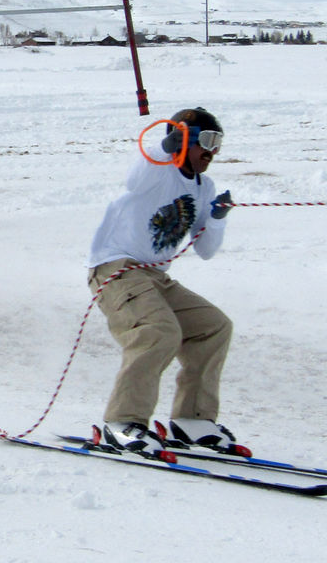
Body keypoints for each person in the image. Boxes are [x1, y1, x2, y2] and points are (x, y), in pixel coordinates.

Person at [87, 107, 242, 458]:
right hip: (116, 269)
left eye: (217, 142)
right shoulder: (158, 171)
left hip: (155, 276)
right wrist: (163, 147)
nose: (212, 151)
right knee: (158, 331)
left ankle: (193, 420)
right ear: (183, 139)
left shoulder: (205, 186)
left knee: (213, 326)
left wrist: (216, 218)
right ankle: (123, 422)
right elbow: (135, 181)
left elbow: (205, 249)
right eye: (205, 140)